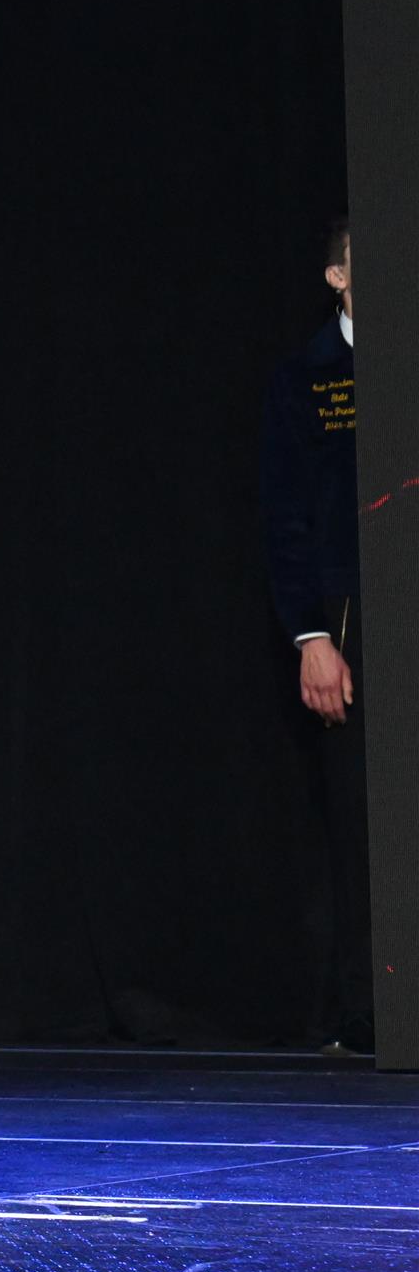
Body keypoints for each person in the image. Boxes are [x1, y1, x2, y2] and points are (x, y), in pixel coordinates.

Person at [261, 218, 370, 1054]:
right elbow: (286, 517)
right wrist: (312, 636)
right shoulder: (308, 377)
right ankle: (364, 1014)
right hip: (347, 615)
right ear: (338, 276)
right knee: (358, 820)